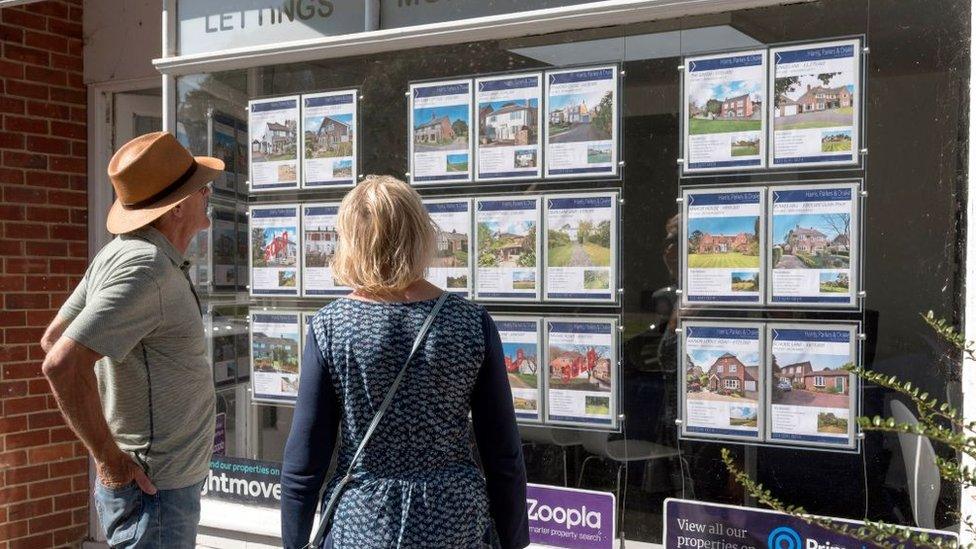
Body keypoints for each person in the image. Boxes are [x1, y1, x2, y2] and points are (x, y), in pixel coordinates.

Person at [280, 175, 530, 549]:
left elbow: (306, 459)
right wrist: (513, 539)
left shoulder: (331, 327)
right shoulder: (471, 323)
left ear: (352, 241)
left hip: (364, 522)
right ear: (420, 233)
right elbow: (502, 451)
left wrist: (294, 541)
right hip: (455, 519)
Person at [40, 132, 224, 547]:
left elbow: (53, 338)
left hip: (156, 489)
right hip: (155, 493)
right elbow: (60, 361)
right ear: (176, 207)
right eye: (200, 188)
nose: (207, 193)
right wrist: (110, 458)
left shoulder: (124, 253)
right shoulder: (145, 267)